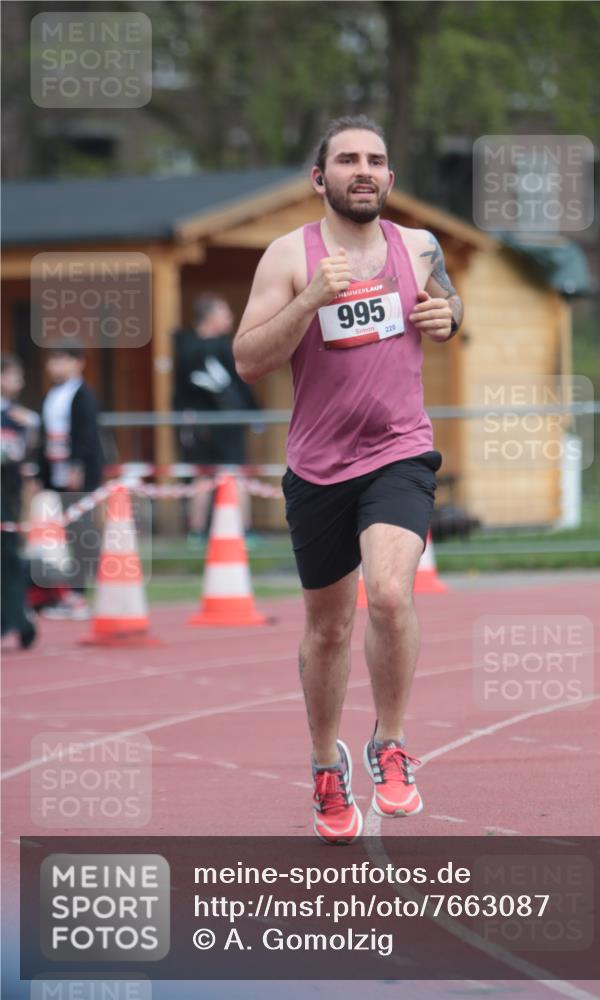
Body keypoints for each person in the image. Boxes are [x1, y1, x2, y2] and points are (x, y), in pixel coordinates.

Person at [234, 115, 463, 844]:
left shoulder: (418, 246)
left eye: (375, 160)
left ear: (389, 179)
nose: (362, 170)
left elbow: (451, 303)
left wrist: (446, 316)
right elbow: (248, 359)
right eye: (347, 160)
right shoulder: (287, 256)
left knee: (391, 594)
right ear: (320, 178)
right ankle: (324, 766)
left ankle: (389, 745)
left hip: (399, 450)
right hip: (317, 466)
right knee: (328, 627)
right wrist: (309, 301)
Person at [172, 295, 260, 537]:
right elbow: (243, 385)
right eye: (225, 313)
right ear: (210, 317)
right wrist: (254, 412)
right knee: (229, 473)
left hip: (199, 424)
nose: (230, 318)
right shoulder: (223, 348)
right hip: (218, 422)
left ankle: (197, 532)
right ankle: (244, 530)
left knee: (204, 475)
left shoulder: (184, 348)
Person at [36, 344, 104, 619]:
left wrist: (77, 466)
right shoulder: (51, 396)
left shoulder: (83, 395)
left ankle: (80, 594)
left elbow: (87, 435)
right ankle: (63, 592)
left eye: (62, 360)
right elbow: (46, 437)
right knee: (64, 535)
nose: (56, 366)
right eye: (52, 360)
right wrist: (41, 475)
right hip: (57, 473)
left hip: (79, 474)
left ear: (78, 363)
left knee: (81, 533)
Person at [1, 355, 39, 649]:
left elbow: (21, 455)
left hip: (9, 495)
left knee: (10, 556)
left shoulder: (18, 416)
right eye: (14, 376)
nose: (20, 383)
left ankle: (17, 620)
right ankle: (18, 620)